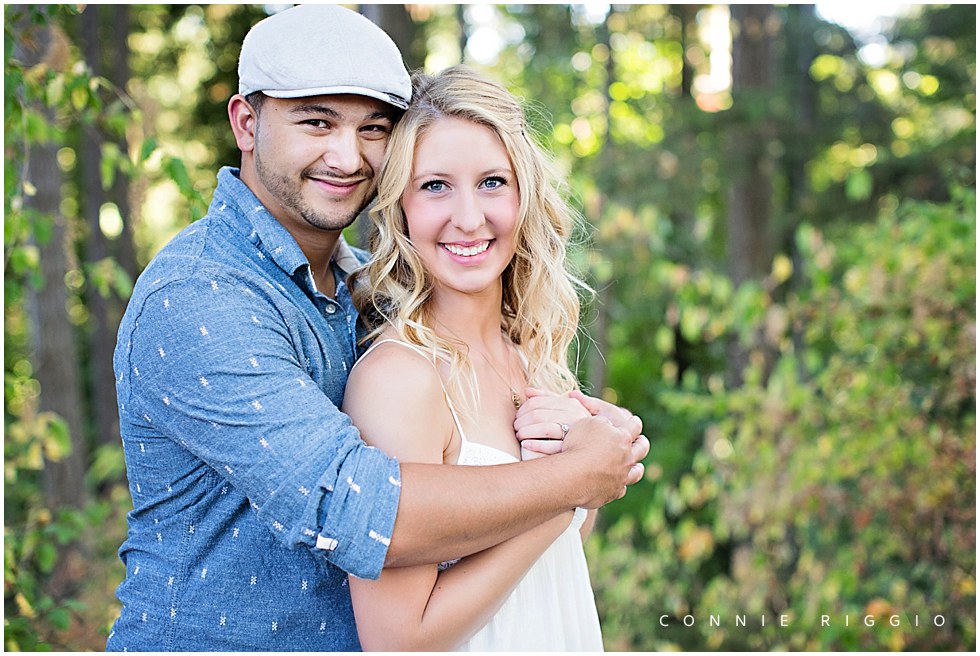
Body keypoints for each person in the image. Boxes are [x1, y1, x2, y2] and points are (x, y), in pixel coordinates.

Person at [107, 4, 647, 652]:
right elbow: (359, 511)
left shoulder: (380, 295)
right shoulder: (199, 297)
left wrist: (583, 440)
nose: (347, 154)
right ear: (246, 123)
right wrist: (574, 481)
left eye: (372, 128)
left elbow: (501, 515)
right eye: (317, 122)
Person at [343, 65, 611, 651]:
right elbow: (397, 639)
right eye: (435, 185)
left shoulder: (532, 353)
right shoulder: (401, 379)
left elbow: (565, 548)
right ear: (400, 208)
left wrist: (588, 456)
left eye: (492, 182)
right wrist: (571, 482)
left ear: (525, 195)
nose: (469, 217)